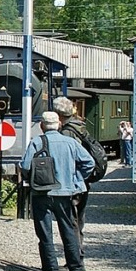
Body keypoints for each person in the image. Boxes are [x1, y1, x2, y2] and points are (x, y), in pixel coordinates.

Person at [21, 110, 95, 271]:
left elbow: (24, 166)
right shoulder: (70, 143)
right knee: (68, 230)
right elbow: (89, 163)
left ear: (41, 126)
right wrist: (75, 178)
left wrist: (32, 181)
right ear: (59, 124)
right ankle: (76, 269)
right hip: (65, 193)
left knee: (45, 234)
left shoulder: (36, 142)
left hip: (41, 193)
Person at [52, 95, 97, 259]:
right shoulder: (80, 126)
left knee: (71, 223)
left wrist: (76, 179)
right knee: (78, 222)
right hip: (82, 184)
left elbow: (81, 160)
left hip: (74, 186)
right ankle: (77, 257)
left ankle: (75, 261)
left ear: (58, 115)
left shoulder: (67, 133)